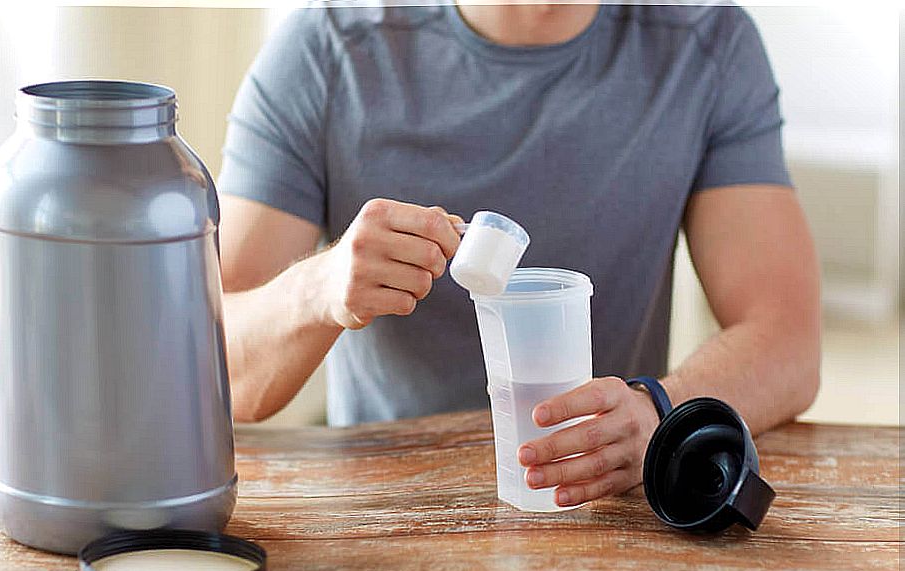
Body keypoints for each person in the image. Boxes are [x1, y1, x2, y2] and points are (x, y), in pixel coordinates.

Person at [216, 2, 821, 508]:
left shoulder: (706, 45)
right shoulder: (324, 53)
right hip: (388, 515)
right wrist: (318, 288)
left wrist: (660, 409)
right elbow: (215, 368)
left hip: (600, 515)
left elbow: (788, 341)